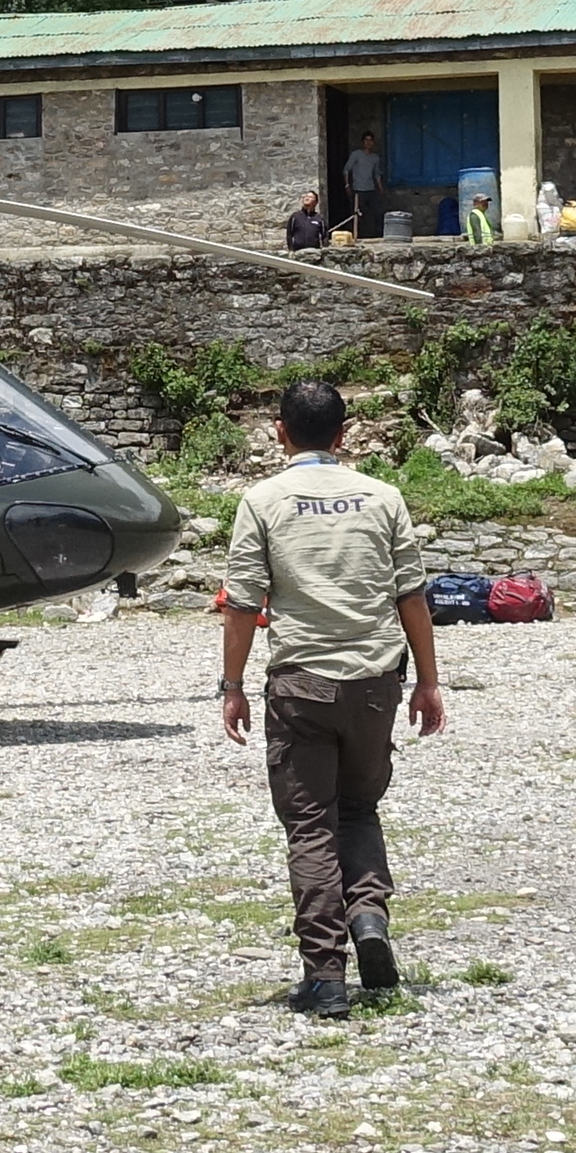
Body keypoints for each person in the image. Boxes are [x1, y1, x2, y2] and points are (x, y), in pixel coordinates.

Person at [212, 377, 447, 1019]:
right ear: (345, 436)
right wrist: (427, 682)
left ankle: (325, 973)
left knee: (311, 825)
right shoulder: (384, 498)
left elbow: (242, 604)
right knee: (359, 808)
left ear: (278, 433)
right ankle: (368, 913)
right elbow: (412, 598)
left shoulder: (262, 500)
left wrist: (232, 687)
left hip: (301, 685)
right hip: (375, 682)